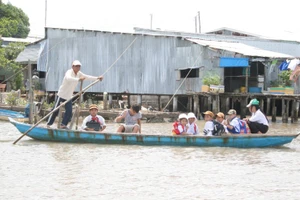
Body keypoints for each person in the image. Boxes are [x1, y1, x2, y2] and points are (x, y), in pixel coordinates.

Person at [47, 60, 103, 129]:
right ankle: (48, 124)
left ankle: (63, 125)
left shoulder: (79, 73)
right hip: (61, 94)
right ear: (72, 66)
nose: (77, 68)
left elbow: (87, 77)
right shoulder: (69, 72)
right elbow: (68, 78)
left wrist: (97, 78)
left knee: (69, 111)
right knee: (55, 110)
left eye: (79, 66)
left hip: (69, 96)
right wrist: (79, 79)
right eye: (76, 66)